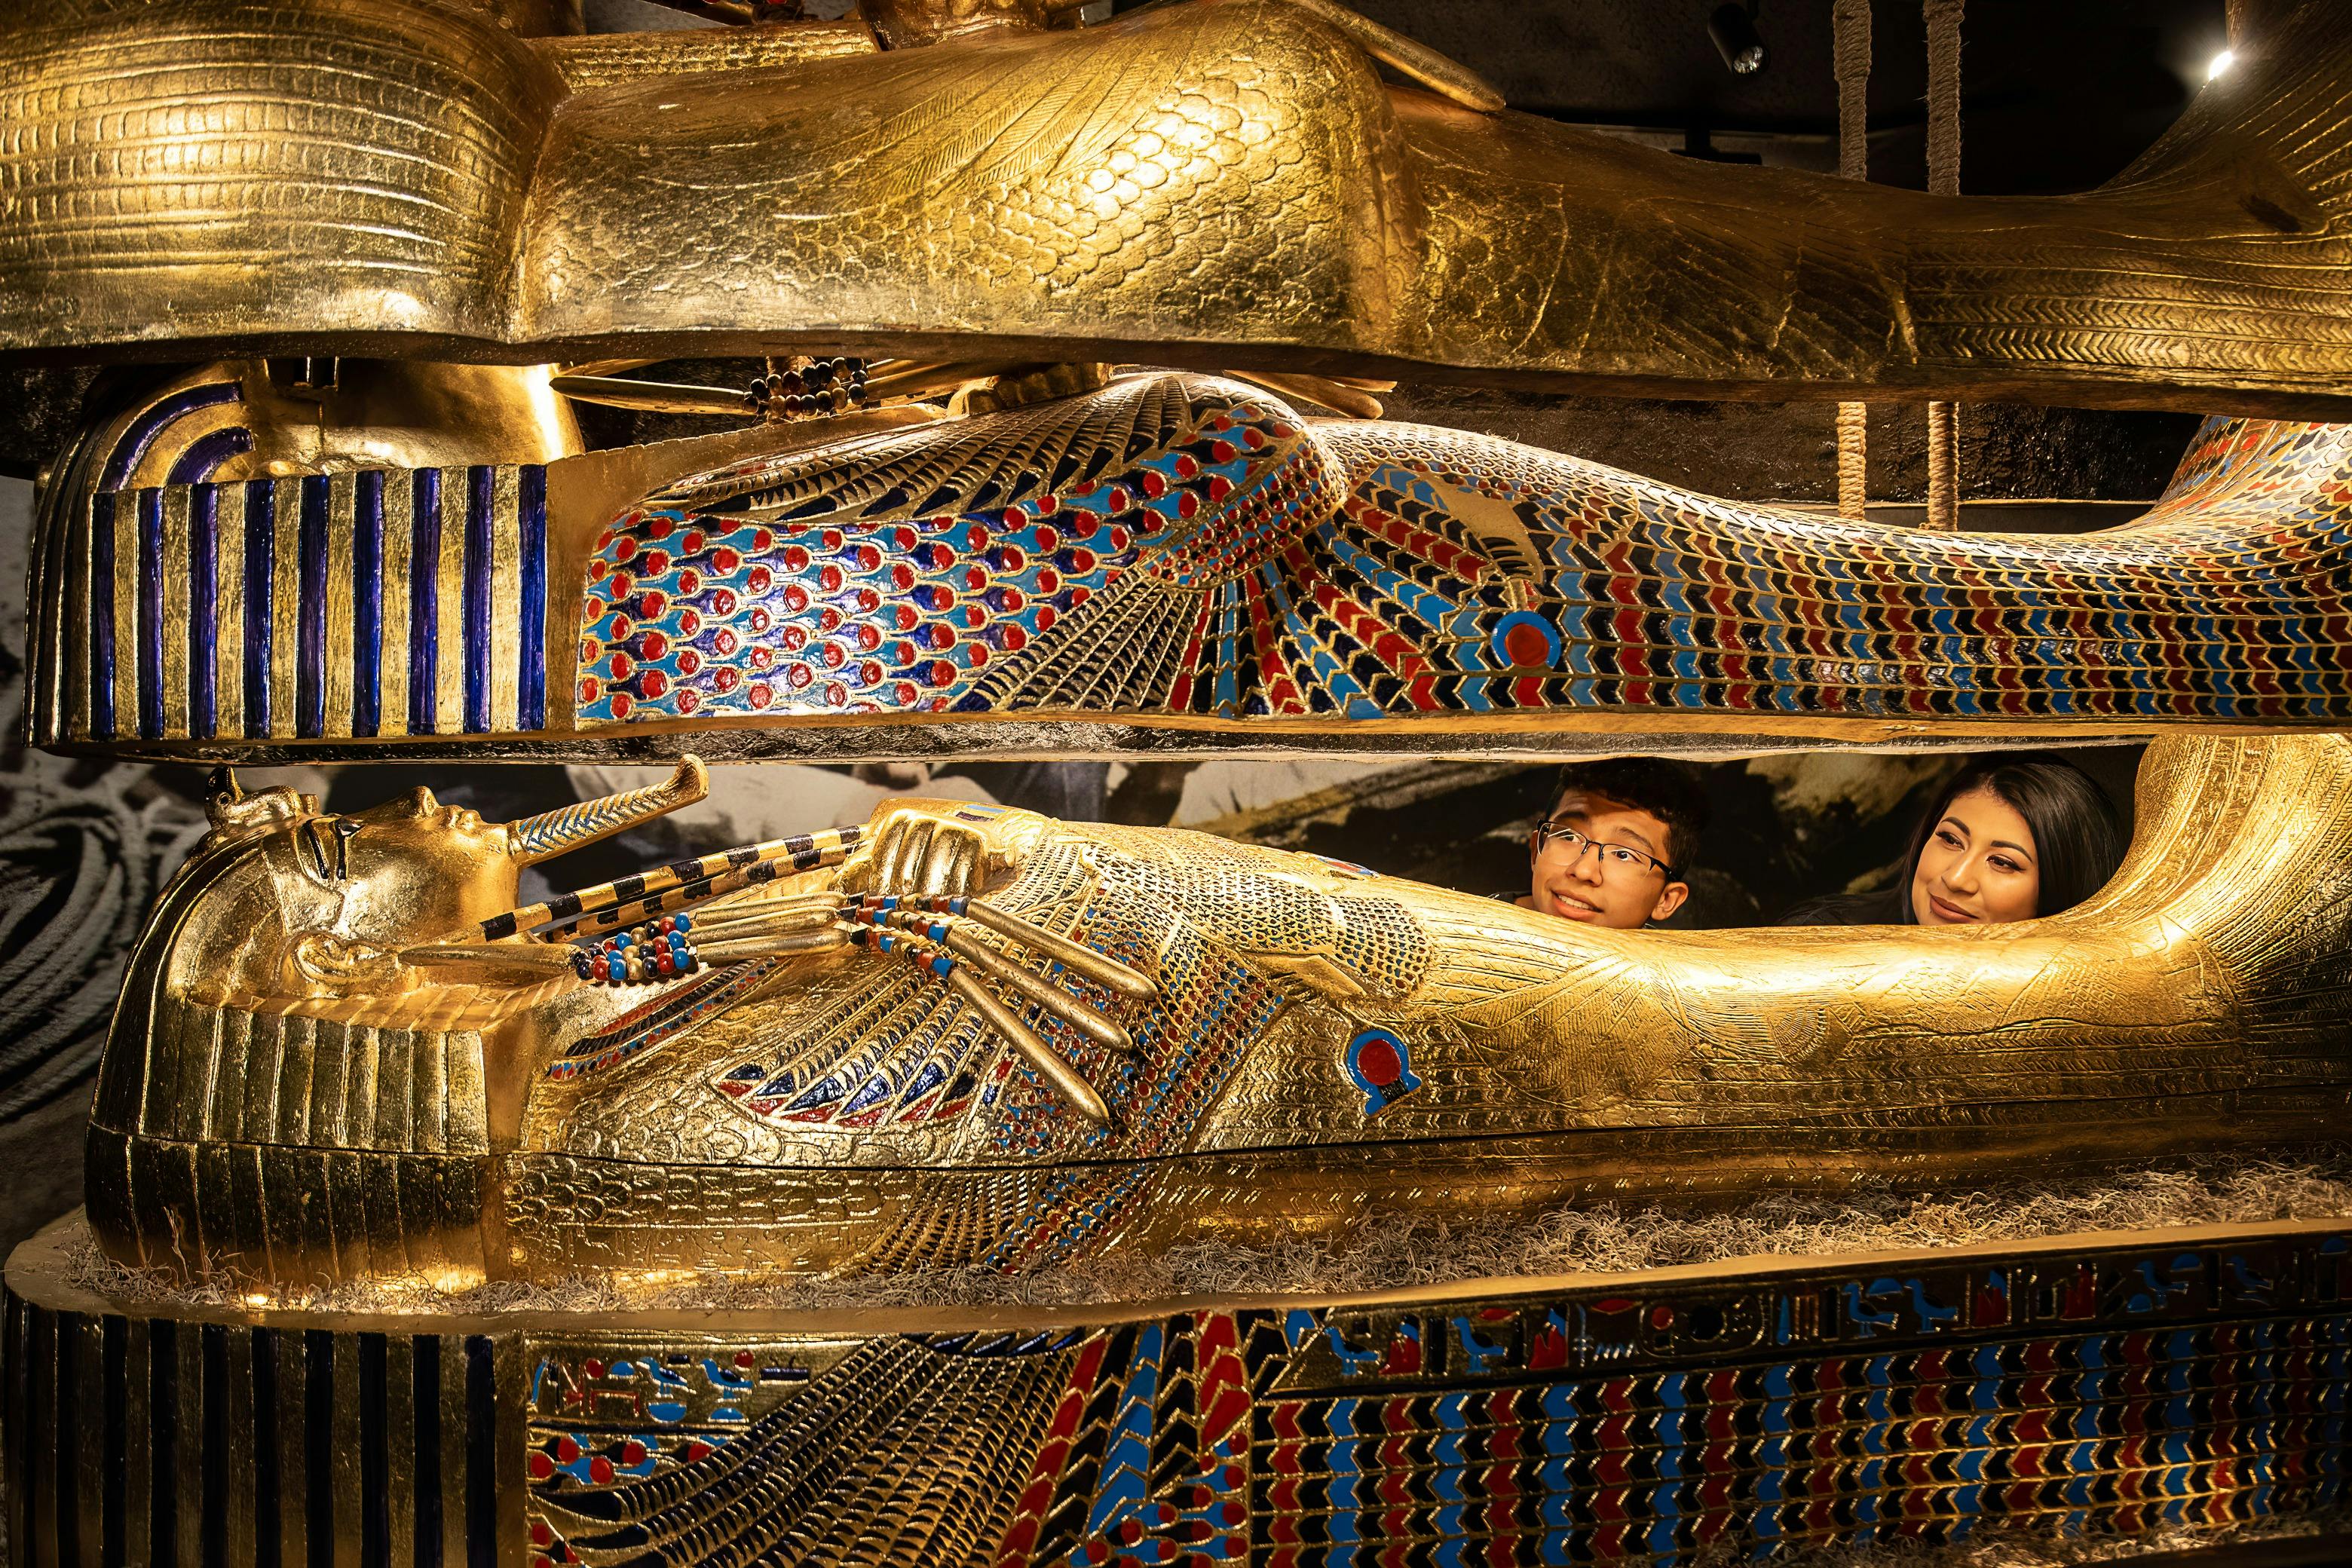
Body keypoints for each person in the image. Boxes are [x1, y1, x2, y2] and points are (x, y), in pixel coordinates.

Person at [1780, 754, 2126, 926]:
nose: (1956, 878)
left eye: (2002, 862)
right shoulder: (1823, 938)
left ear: (2063, 890)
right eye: (1950, 839)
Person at [1514, 758, 1709, 930]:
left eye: (1623, 854)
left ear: (1666, 900)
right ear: (1535, 852)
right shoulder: (1482, 925)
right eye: (1569, 837)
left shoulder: (1667, 971)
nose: (1583, 871)